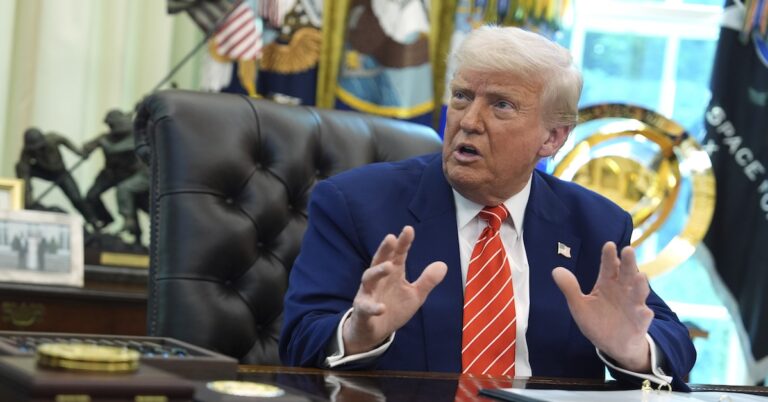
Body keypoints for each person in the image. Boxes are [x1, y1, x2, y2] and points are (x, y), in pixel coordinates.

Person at [279, 26, 696, 391]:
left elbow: (673, 343)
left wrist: (631, 349)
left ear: (552, 139)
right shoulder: (357, 205)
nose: (469, 120)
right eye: (462, 96)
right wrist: (357, 333)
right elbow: (298, 341)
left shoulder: (594, 224)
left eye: (501, 105)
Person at [15, 128, 94, 222]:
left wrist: (79, 152)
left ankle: (93, 220)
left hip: (60, 173)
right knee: (19, 167)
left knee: (76, 199)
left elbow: (65, 141)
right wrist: (28, 197)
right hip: (43, 172)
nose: (37, 150)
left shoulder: (52, 138)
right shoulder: (27, 152)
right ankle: (26, 202)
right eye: (34, 148)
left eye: (39, 147)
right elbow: (24, 174)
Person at [82, 109, 143, 230]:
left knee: (131, 200)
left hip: (129, 174)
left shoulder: (133, 137)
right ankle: (106, 218)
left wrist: (102, 143)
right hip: (109, 173)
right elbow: (88, 146)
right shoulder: (107, 137)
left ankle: (133, 230)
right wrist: (87, 150)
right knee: (91, 196)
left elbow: (114, 149)